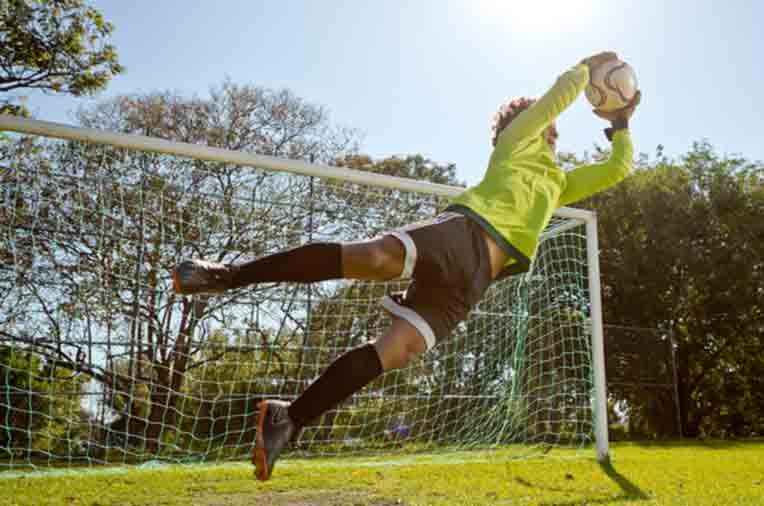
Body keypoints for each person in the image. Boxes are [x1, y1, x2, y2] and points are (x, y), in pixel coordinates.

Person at [172, 51, 640, 481]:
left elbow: (617, 170)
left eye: (555, 128)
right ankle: (227, 275)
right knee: (373, 257)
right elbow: (553, 101)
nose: (553, 130)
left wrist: (620, 122)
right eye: (546, 123)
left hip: (476, 281)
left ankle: (289, 417)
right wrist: (585, 68)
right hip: (463, 234)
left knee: (398, 351)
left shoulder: (557, 184)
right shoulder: (516, 144)